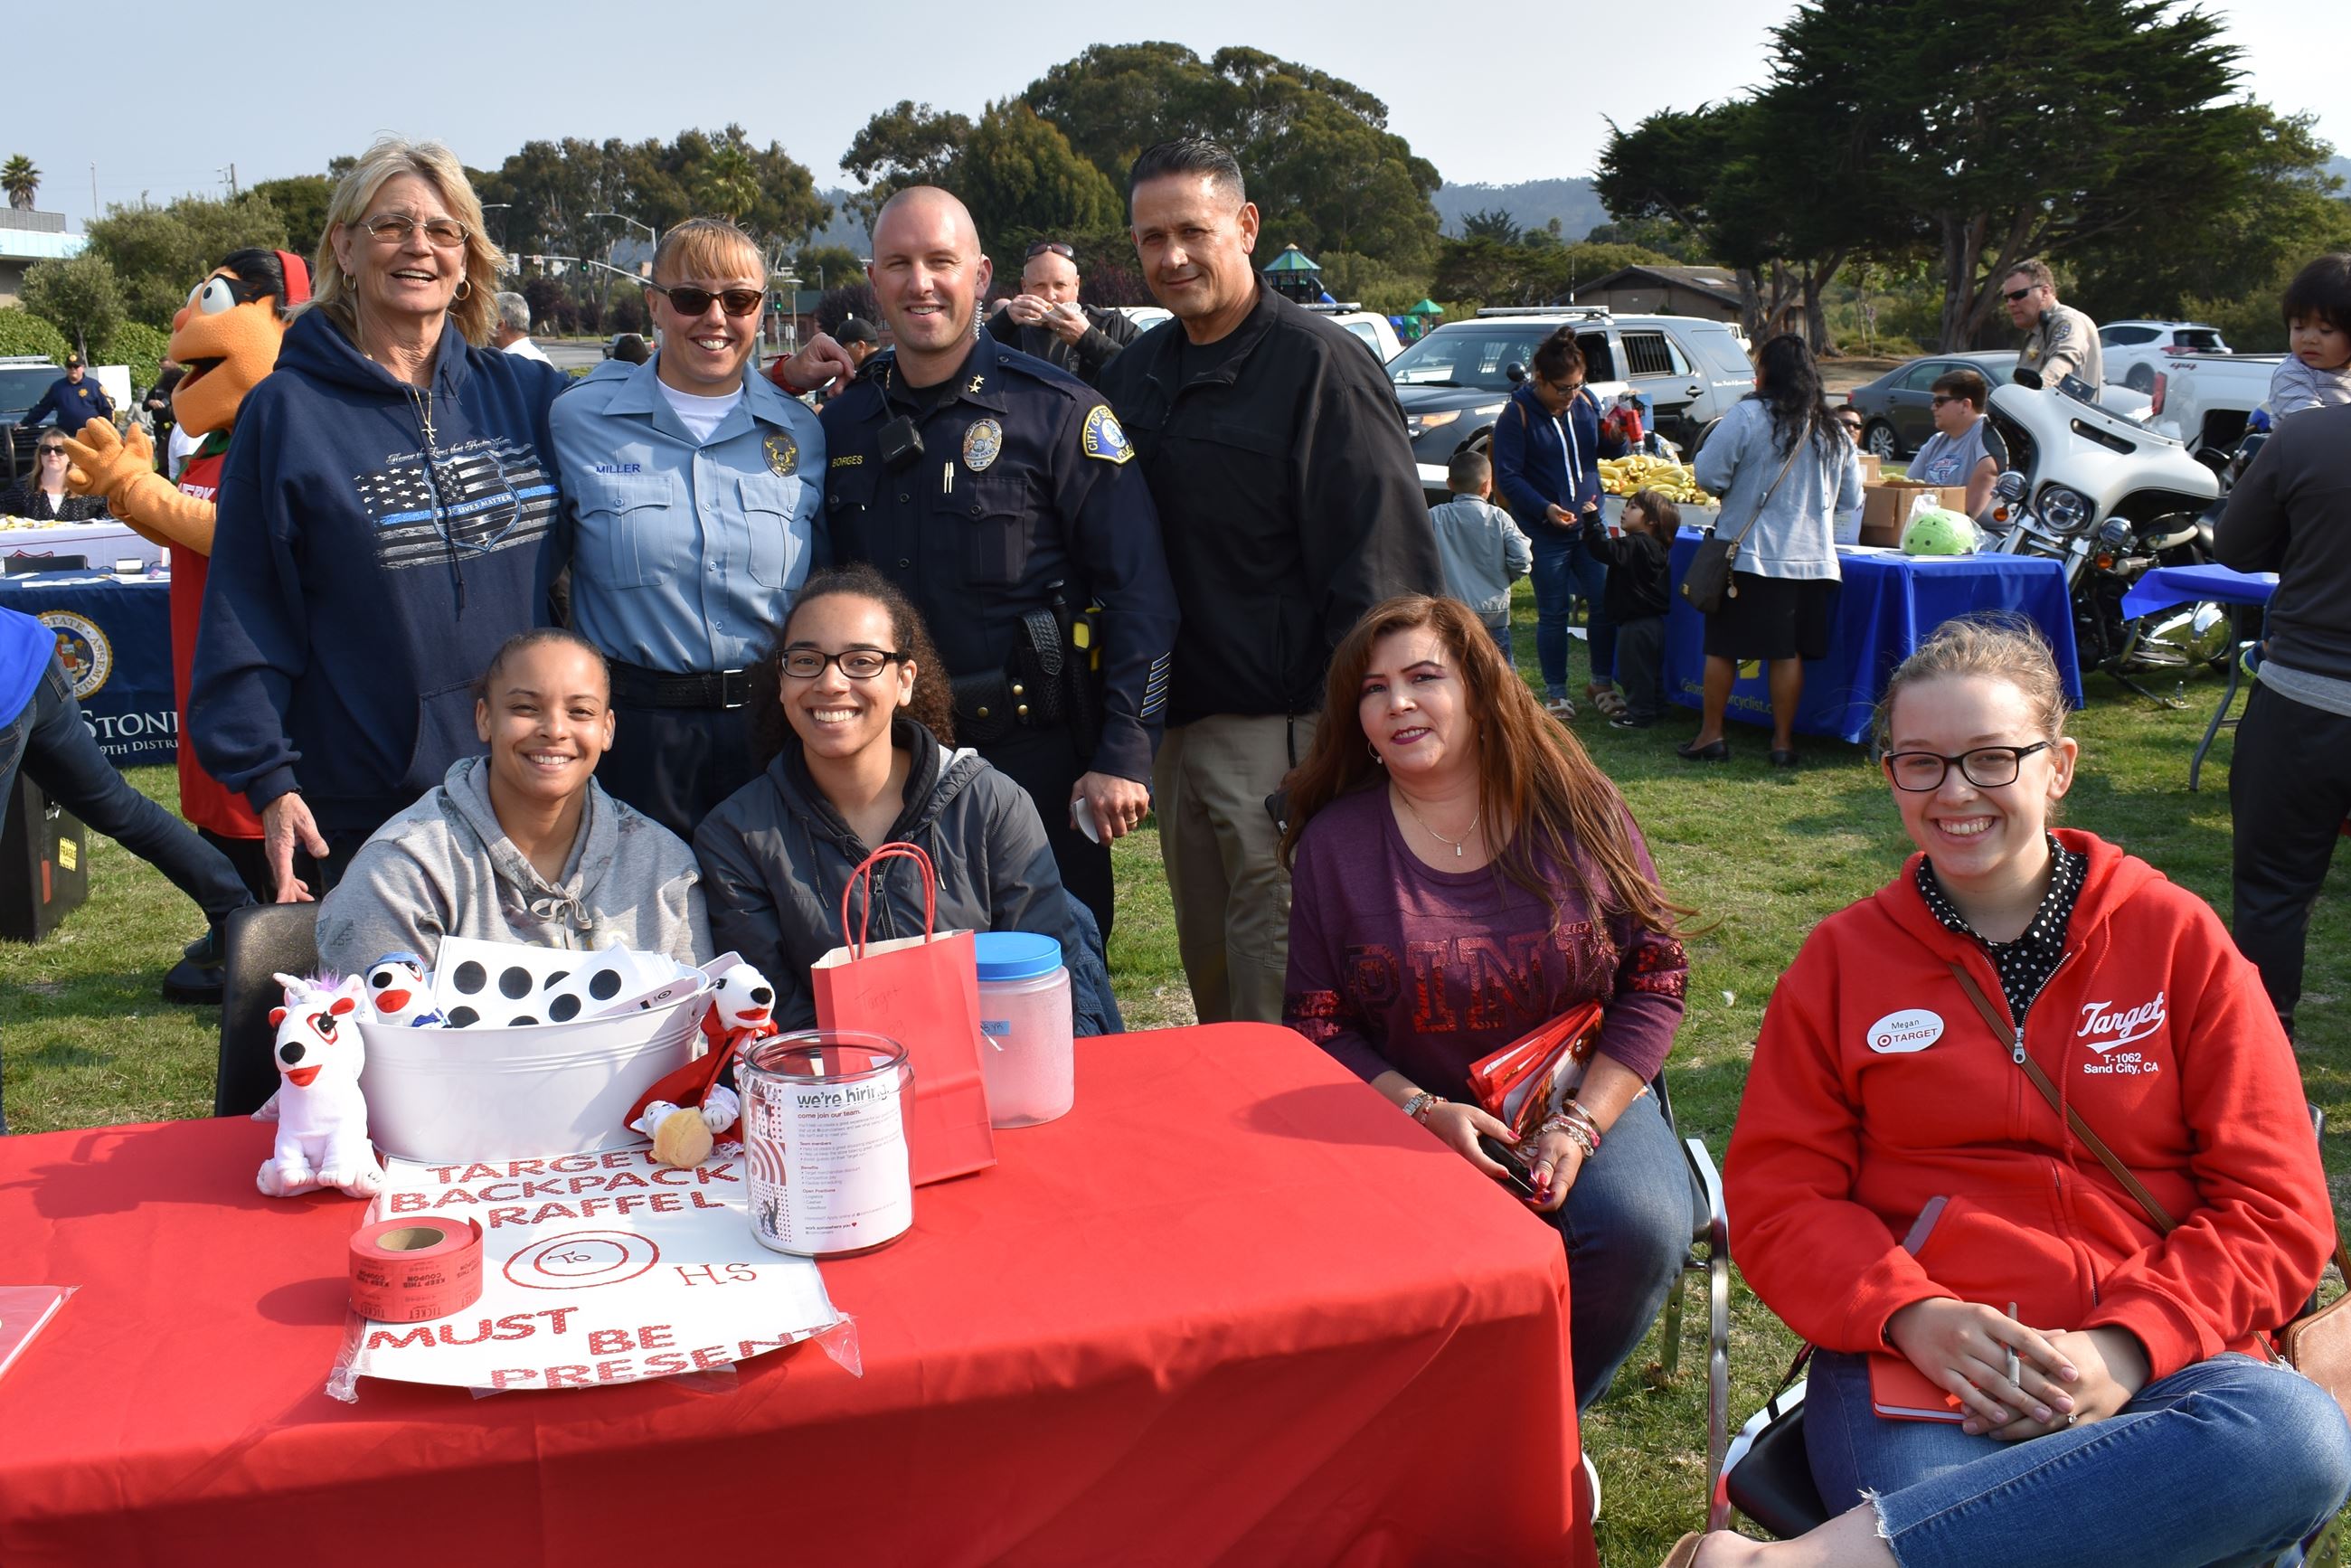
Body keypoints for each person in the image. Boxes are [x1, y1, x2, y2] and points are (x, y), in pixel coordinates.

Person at [1692, 618, 2351, 1568]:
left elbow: (2276, 1206)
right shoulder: (1838, 964)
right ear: (1890, 776)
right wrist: (1913, 1313)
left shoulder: (2177, 939)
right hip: (1923, 1364)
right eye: (1920, 762)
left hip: (2168, 1357)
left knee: (2291, 1440)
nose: (1954, 791)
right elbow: (1779, 1200)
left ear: (2058, 768)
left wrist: (2125, 1345)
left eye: (1991, 758)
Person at [1282, 593, 1691, 1415]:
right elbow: (1319, 1024)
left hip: (1584, 1092)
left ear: (1477, 689)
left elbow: (1656, 974)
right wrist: (1423, 1110)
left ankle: (1536, 1428)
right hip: (1413, 1114)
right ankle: (1460, 1429)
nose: (1398, 702)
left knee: (1639, 1228)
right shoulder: (1337, 845)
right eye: (1373, 689)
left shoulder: (1578, 808)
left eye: (1424, 678)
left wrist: (1581, 1124)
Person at [1097, 137, 1442, 1026]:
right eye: (1151, 238)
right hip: (1174, 734)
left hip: (1285, 737)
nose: (1172, 257)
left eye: (1192, 231)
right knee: (1215, 984)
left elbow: (1384, 573)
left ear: (1245, 226)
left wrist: (1351, 741)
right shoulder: (1134, 373)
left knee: (1282, 995)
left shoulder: (1322, 367)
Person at [189, 137, 571, 904]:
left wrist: (779, 379)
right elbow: (246, 607)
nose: (419, 246)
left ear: (466, 258)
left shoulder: (529, 395)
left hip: (535, 790)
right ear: (346, 246)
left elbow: (656, 424)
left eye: (443, 230)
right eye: (393, 225)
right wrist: (269, 779)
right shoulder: (286, 412)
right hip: (371, 809)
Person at [817, 187, 1178, 943]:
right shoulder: (843, 423)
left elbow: (1141, 592)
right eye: (899, 265)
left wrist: (1124, 752)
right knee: (897, 978)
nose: (921, 283)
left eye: (941, 262)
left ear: (981, 277)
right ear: (874, 281)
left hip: (1033, 766)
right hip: (884, 768)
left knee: (1052, 979)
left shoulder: (1059, 412)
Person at [694, 564, 1119, 1034]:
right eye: (806, 660)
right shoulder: (736, 837)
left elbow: (1042, 986)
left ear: (905, 680)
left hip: (995, 1066)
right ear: (782, 679)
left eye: (862, 661)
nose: (831, 682)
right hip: (829, 1078)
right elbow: (774, 1019)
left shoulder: (990, 804)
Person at [552, 216, 845, 844]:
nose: (716, 317)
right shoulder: (578, 421)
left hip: (773, 731)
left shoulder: (802, 432)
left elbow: (827, 587)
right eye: (691, 298)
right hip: (635, 737)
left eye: (738, 300)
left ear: (760, 309)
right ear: (654, 305)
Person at [316, 628, 708, 976]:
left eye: (580, 712)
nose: (555, 730)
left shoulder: (665, 865)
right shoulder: (401, 868)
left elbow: (698, 1021)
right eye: (526, 708)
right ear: (484, 718)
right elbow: (380, 1025)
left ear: (607, 729)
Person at [0, 607, 253, 1046]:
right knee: (119, 806)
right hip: (27, 653)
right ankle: (239, 918)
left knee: (118, 807)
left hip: (13, 681)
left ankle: (240, 920)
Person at [2217, 383, 2351, 1041]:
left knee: (2273, 892)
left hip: (2305, 697)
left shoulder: (2306, 436)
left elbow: (2237, 546)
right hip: (2306, 687)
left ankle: (2262, 1063)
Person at [1685, 334, 1864, 768]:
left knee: (1723, 648)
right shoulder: (1834, 430)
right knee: (1787, 653)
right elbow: (1851, 499)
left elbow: (1708, 475)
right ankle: (1782, 743)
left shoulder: (1746, 415)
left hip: (1750, 555)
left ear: (1766, 372)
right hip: (1812, 560)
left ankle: (1711, 735)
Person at [1492, 328, 1619, 721]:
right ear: (1540, 380)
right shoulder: (1517, 414)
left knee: (1604, 602)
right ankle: (1556, 693)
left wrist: (1615, 436)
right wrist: (1544, 508)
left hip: (1590, 523)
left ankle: (1601, 683)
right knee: (1553, 611)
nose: (1571, 395)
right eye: (1563, 389)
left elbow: (1602, 451)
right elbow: (1508, 476)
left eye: (1577, 386)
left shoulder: (1586, 402)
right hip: (1545, 530)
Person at [985, 240, 1139, 387]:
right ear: (1024, 287)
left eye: (1060, 285)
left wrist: (1088, 338)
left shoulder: (1112, 325)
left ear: (1076, 285)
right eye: (1039, 285)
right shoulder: (1010, 330)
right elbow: (972, 362)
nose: (1050, 296)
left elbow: (1143, 374)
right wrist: (1003, 321)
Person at [1583, 488, 1676, 729]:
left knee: (1634, 671)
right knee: (1650, 670)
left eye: (1634, 507)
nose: (1625, 510)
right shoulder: (1656, 547)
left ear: (1652, 520)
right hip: (1653, 624)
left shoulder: (1636, 544)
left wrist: (1593, 521)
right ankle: (1657, 706)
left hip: (1635, 624)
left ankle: (1639, 714)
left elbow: (1603, 549)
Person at [1427, 449, 1531, 656]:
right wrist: (1504, 576)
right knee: (1499, 670)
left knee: (1454, 668)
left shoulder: (1434, 517)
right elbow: (1522, 558)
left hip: (1450, 612)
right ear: (1487, 485)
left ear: (1449, 484)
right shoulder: (1499, 518)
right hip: (1493, 614)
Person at [1905, 369, 2006, 524]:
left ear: (1965, 405)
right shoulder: (1936, 441)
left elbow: (1989, 472)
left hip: (1982, 532)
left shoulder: (1987, 433)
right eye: (1933, 402)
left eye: (1939, 401)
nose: (1933, 407)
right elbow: (1907, 487)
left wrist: (1957, 526)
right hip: (1932, 528)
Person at [2266, 252, 2351, 424]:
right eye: (2299, 327)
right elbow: (2309, 427)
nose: (2309, 339)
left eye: (2325, 330)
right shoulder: (2293, 374)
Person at [2004, 259, 2102, 394]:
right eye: (2007, 298)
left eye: (2018, 295)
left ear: (2045, 292)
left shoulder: (2067, 321)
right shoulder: (2038, 329)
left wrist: (2040, 387)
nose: (2010, 304)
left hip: (2065, 408)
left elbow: (2063, 360)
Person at [0, 431, 110, 521]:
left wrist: (97, 529)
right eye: (46, 450)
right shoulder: (25, 486)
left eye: (59, 450)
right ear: (40, 456)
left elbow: (110, 508)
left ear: (70, 457)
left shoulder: (84, 486)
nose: (52, 454)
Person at [24, 353, 115, 435]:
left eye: (76, 366)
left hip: (90, 436)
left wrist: (108, 428)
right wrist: (24, 422)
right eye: (69, 366)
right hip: (66, 436)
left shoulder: (94, 386)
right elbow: (43, 408)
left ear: (82, 368)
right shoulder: (58, 387)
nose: (73, 369)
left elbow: (107, 409)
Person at [490, 292, 552, 363]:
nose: (481, 329)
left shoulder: (508, 364)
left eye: (483, 322)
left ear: (500, 325)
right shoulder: (536, 358)